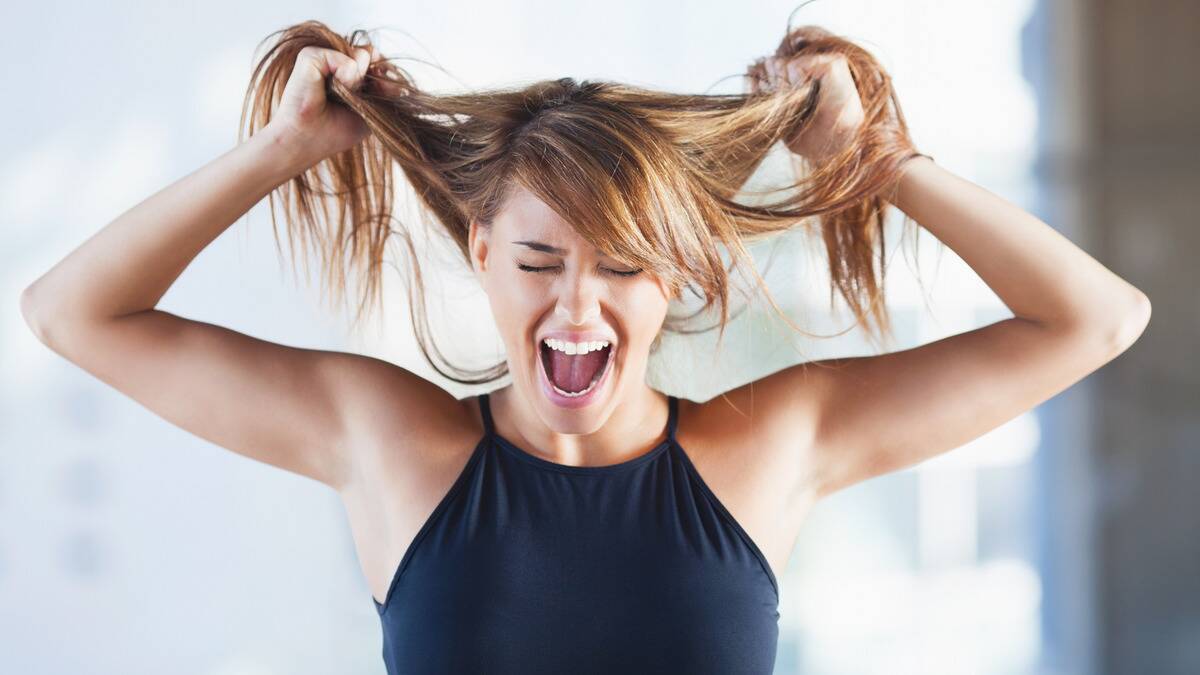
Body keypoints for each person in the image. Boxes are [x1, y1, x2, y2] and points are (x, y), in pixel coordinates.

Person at [20, 18, 1150, 675]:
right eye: (538, 261)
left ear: (678, 277)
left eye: (622, 268)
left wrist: (877, 161)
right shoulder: (388, 443)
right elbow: (72, 314)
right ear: (477, 249)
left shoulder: (772, 446)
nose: (574, 309)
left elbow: (1096, 320)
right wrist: (278, 154)